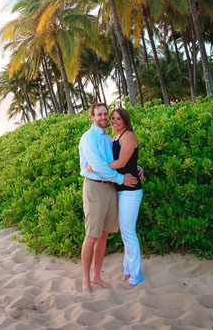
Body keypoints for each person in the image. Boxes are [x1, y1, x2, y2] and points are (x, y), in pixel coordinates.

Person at [78, 102, 138, 293]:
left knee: (103, 235)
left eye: (106, 114)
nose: (104, 117)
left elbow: (118, 161)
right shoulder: (88, 138)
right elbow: (98, 166)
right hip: (95, 188)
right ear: (92, 117)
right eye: (100, 114)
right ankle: (85, 280)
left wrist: (137, 168)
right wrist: (121, 178)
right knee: (91, 235)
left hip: (110, 188)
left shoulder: (107, 139)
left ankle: (96, 277)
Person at [108, 107, 144, 287]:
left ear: (125, 120)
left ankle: (136, 275)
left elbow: (122, 162)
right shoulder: (115, 137)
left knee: (128, 232)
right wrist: (138, 167)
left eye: (118, 118)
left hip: (131, 190)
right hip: (121, 189)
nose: (114, 121)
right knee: (125, 232)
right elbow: (130, 161)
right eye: (113, 118)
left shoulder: (128, 136)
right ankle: (127, 269)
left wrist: (97, 167)